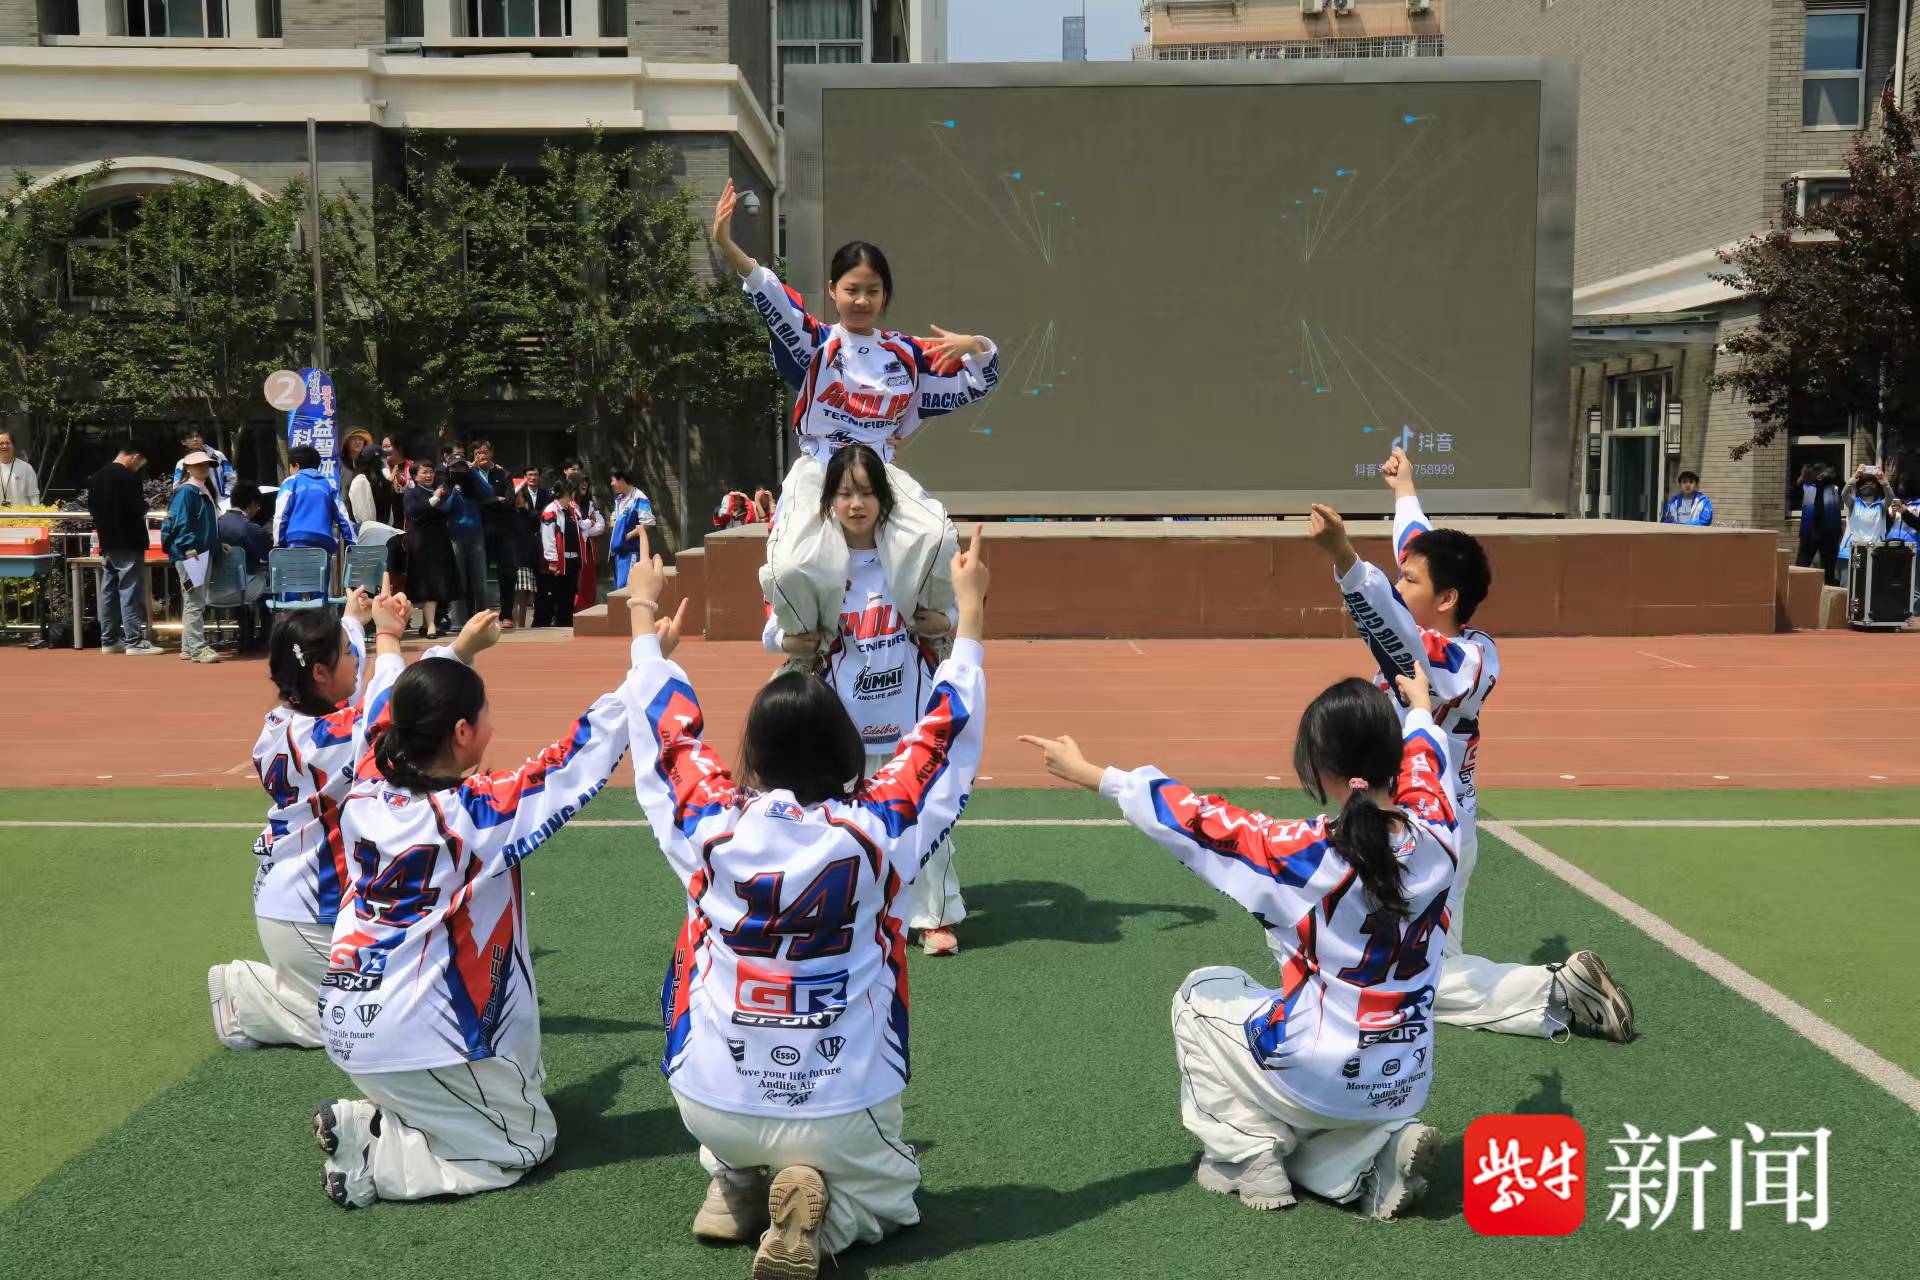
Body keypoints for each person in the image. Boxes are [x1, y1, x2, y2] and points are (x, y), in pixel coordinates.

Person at [627, 525, 988, 1278]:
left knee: (695, 939)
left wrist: (643, 625)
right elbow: (943, 736)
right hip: (839, 1101)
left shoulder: (712, 825)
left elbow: (668, 737)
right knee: (894, 1199)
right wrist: (971, 613)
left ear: (753, 756)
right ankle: (825, 1220)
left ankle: (731, 1178)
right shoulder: (876, 829)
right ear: (846, 751)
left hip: (710, 1099)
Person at [1019, 669, 1452, 1220]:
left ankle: (1248, 1151)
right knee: (1308, 1065)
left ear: (1321, 766)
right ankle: (1374, 1155)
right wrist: (1420, 711)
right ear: (1392, 757)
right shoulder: (1441, 830)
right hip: (1407, 1077)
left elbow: (1199, 821)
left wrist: (1092, 775)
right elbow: (1426, 766)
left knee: (1199, 995)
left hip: (1320, 1076)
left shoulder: (1304, 854)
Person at [313, 604, 643, 1208]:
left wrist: (451, 650)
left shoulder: (366, 781)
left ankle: (393, 1114)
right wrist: (647, 659)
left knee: (512, 1088)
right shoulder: (472, 816)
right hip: (413, 1037)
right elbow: (574, 761)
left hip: (347, 1016)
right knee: (526, 1144)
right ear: (462, 732)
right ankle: (378, 1155)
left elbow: (387, 701)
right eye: (485, 713)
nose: (493, 722)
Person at [1306, 449, 1632, 1044]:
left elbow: (1393, 623)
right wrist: (1404, 490)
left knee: (1407, 977)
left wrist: (1345, 559)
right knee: (1418, 965)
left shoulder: (1463, 660)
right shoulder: (1445, 624)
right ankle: (1554, 991)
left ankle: (1558, 989)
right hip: (1420, 824)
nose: (1400, 582)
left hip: (1428, 831)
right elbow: (1415, 545)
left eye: (1410, 580)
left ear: (1447, 599)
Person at [711, 178, 999, 671]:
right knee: (790, 565)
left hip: (880, 470)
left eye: (872, 291)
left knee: (937, 537)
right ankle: (799, 647)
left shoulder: (906, 354)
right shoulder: (816, 346)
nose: (861, 300)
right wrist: (726, 245)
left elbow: (977, 380)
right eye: (851, 290)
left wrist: (976, 345)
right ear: (832, 291)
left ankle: (935, 634)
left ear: (885, 296)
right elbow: (770, 294)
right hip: (819, 469)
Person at [763, 445, 966, 955]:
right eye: (845, 493)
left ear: (885, 499)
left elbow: (957, 610)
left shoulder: (911, 557)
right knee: (838, 814)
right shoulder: (811, 564)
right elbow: (773, 631)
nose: (856, 504)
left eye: (868, 493)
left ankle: (935, 915)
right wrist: (789, 641)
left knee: (924, 810)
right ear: (828, 500)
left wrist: (946, 621)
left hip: (909, 706)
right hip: (841, 715)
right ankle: (845, 909)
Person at [206, 587, 400, 1051]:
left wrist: (352, 622)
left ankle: (290, 989)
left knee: (395, 1000)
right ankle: (246, 996)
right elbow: (387, 705)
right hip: (309, 913)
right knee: (364, 1028)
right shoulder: (330, 737)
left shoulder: (286, 722)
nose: (356, 660)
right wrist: (389, 637)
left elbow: (344, 687)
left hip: (296, 902)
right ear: (319, 672)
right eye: (348, 653)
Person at [85, 439, 162, 656]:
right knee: (130, 590)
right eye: (140, 463)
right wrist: (146, 505)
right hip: (129, 540)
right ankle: (134, 641)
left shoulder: (97, 477)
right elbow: (137, 508)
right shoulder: (129, 477)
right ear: (135, 457)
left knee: (108, 590)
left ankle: (109, 640)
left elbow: (92, 508)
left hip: (107, 541)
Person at [161, 450, 222, 663]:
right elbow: (182, 521)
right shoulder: (188, 491)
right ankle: (197, 648)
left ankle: (189, 647)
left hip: (197, 552)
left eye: (206, 465)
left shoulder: (199, 489)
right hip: (192, 554)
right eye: (198, 465)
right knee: (195, 601)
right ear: (188, 468)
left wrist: (217, 544)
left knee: (193, 600)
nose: (203, 468)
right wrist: (188, 547)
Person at [273, 445, 358, 583]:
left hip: (296, 541)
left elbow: (280, 516)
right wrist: (352, 543)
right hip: (323, 544)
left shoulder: (291, 482)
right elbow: (343, 518)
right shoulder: (328, 485)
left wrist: (278, 545)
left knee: (294, 588)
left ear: (296, 466)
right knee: (319, 588)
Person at [402, 460, 460, 639]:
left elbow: (446, 510)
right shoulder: (412, 493)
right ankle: (431, 626)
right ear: (415, 476)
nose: (429, 475)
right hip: (422, 545)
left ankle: (427, 624)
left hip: (440, 543)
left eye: (431, 472)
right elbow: (413, 512)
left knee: (439, 584)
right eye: (424, 472)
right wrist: (434, 500)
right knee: (428, 585)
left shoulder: (439, 491)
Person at [217, 483, 273, 655]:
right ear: (251, 504)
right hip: (246, 586)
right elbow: (268, 553)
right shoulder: (251, 528)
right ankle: (264, 638)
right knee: (268, 585)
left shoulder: (216, 524)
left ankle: (245, 637)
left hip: (217, 586)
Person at [445, 453, 494, 627]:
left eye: (462, 466)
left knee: (480, 582)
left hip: (476, 536)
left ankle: (483, 621)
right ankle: (458, 622)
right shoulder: (446, 486)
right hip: (455, 537)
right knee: (459, 582)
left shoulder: (474, 484)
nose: (459, 470)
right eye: (455, 467)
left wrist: (473, 471)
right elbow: (444, 509)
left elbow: (489, 491)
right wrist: (454, 492)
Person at [472, 441, 517, 628]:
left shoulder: (503, 474)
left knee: (507, 573)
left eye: (485, 452)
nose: (482, 456)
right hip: (478, 531)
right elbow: (472, 501)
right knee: (477, 574)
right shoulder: (470, 474)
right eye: (478, 452)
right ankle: (478, 614)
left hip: (502, 531)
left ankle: (506, 614)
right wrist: (495, 500)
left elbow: (510, 501)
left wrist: (486, 501)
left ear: (492, 453)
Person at [536, 482, 588, 628]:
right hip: (559, 562)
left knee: (569, 597)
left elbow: (580, 528)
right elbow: (548, 537)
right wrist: (553, 561)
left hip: (572, 560)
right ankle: (548, 625)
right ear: (568, 492)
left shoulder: (573, 509)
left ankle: (566, 624)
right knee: (553, 597)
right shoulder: (551, 510)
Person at [1838, 464, 1891, 594]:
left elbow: (1890, 497)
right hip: (1852, 552)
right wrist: (1855, 476)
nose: (1868, 485)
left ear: (1877, 487)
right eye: (1864, 482)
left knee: (1870, 589)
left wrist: (1883, 480)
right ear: (1859, 487)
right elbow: (1844, 494)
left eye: (1872, 483)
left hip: (1873, 552)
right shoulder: (1854, 503)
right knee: (1848, 588)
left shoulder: (1881, 506)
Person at [1795, 463, 1845, 585]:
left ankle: (1828, 590)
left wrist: (1832, 475)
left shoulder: (1834, 486)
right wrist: (1807, 474)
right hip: (1809, 532)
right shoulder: (1807, 485)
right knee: (1802, 565)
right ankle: (1797, 588)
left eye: (1822, 472)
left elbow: (1845, 487)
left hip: (1830, 532)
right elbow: (1798, 484)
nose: (1821, 475)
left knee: (1829, 569)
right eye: (1817, 472)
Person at [609, 468, 656, 590]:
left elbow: (646, 523)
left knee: (626, 589)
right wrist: (618, 529)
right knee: (618, 589)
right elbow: (612, 519)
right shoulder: (618, 500)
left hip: (631, 551)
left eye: (613, 480)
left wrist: (626, 536)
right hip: (618, 553)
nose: (611, 484)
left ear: (621, 480)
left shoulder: (639, 498)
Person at [171, 425, 236, 509]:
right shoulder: (181, 463)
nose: (195, 439)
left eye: (198, 436)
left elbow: (231, 479)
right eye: (190, 437)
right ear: (183, 442)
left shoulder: (218, 456)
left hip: (221, 505)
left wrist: (226, 497)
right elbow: (177, 487)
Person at [509, 474, 542, 629]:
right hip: (514, 558)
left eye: (522, 496)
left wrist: (528, 509)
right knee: (516, 595)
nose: (520, 498)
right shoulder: (508, 514)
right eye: (517, 496)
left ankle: (521, 625)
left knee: (525, 595)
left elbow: (536, 521)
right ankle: (514, 623)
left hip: (528, 557)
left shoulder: (527, 514)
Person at [571, 473, 606, 615]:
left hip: (588, 550)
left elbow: (600, 526)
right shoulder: (569, 504)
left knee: (588, 582)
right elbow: (572, 526)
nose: (585, 485)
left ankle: (587, 612)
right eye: (581, 482)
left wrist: (584, 531)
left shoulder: (590, 504)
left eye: (587, 482)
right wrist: (585, 525)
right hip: (572, 549)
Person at [0, 428, 40, 506]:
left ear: (13, 445)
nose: (4, 446)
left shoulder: (26, 468)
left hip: (21, 513)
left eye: (7, 443)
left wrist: (36, 512)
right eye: (1, 443)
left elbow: (33, 496)